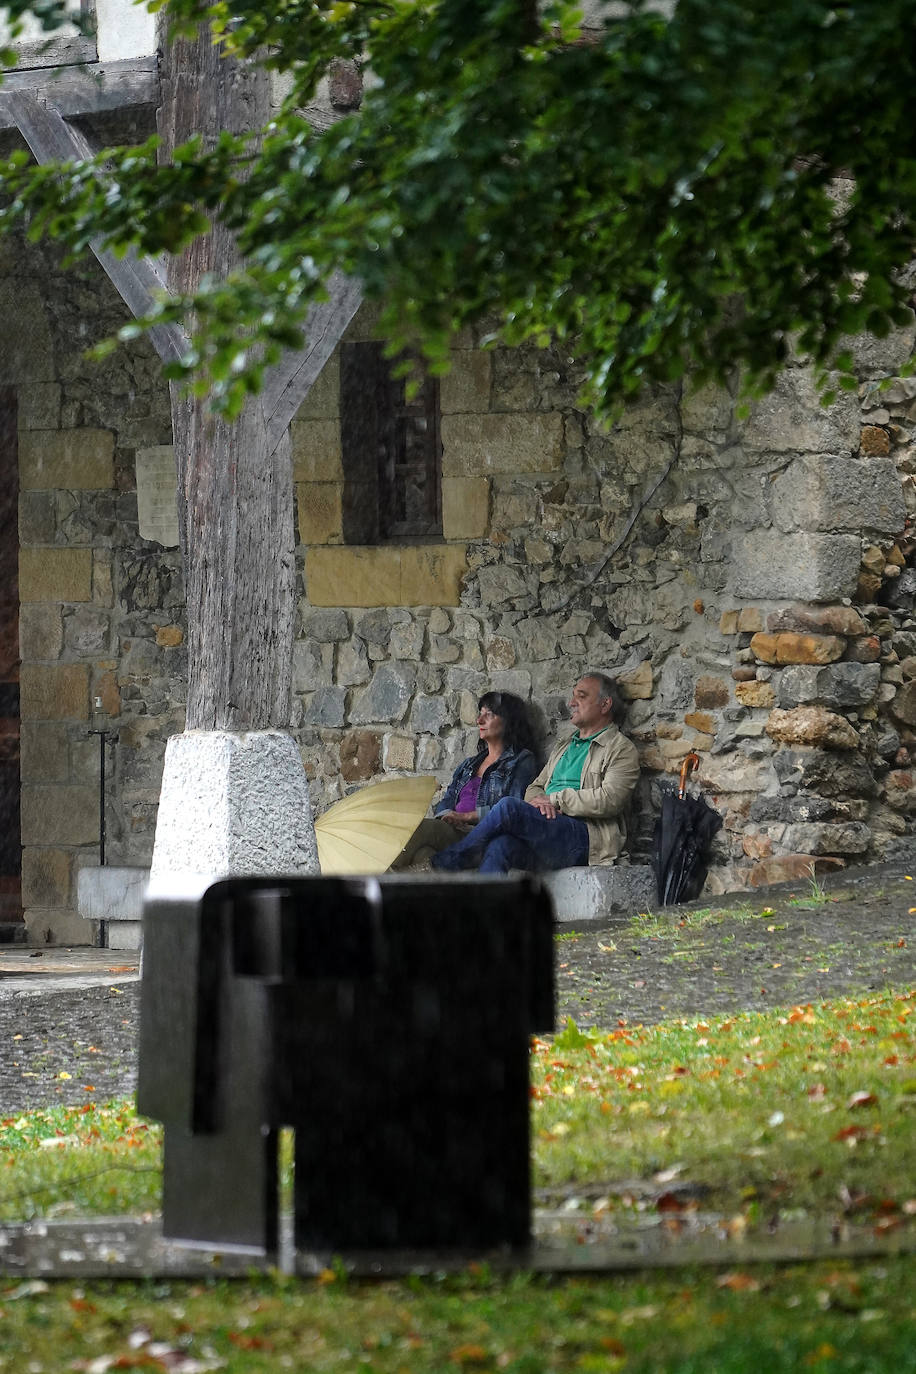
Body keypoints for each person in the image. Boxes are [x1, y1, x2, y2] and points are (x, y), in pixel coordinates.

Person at [431, 672, 640, 875]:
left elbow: (610, 799)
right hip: (547, 829)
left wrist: (554, 800)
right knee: (500, 845)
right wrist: (540, 802)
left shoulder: (620, 748)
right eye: (573, 695)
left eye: (582, 696)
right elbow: (534, 788)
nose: (572, 703)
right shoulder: (565, 746)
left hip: (585, 838)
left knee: (508, 807)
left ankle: (445, 862)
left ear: (605, 704)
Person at [393, 690, 540, 868]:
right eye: (480, 714)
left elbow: (514, 807)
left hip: (483, 834)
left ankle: (378, 881)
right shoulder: (469, 764)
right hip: (454, 831)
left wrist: (466, 817)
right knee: (423, 855)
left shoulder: (522, 760)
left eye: (489, 714)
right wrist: (447, 815)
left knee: (420, 829)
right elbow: (447, 800)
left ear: (508, 720)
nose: (479, 720)